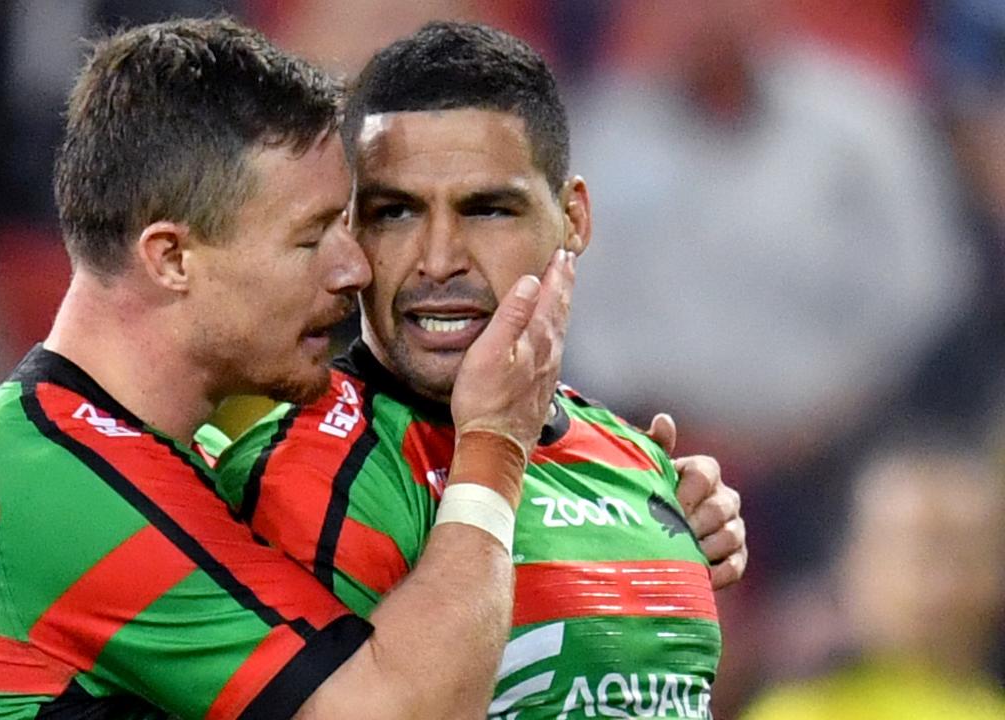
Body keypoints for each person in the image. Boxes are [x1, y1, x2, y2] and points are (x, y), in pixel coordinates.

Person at [0, 18, 577, 719]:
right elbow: (402, 712)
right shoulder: (47, 481)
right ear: (172, 258)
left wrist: (642, 502)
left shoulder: (65, 447)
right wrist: (494, 443)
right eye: (311, 238)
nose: (352, 267)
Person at [215, 22, 745, 718]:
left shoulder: (638, 462)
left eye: (488, 209)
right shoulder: (300, 477)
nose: (438, 260)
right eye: (395, 212)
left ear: (573, 218)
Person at [740, 440, 1005, 719]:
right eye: (917, 556)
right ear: (853, 564)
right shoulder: (801, 710)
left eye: (966, 557)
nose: (944, 587)